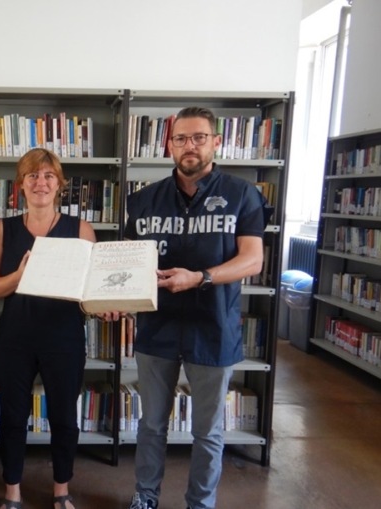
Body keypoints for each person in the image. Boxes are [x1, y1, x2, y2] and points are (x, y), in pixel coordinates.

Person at [124, 107, 267, 509]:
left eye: (199, 137)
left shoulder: (242, 194)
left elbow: (252, 260)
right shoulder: (143, 200)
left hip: (214, 327)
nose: (190, 146)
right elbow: (128, 261)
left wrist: (200, 277)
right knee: (151, 424)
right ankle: (145, 496)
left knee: (208, 430)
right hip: (157, 327)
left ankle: (200, 504)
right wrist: (115, 298)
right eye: (181, 138)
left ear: (216, 142)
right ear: (169, 144)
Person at [0, 148, 96, 509]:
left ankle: (61, 490)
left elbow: (91, 291)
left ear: (59, 184)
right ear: (21, 184)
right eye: (32, 175)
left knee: (63, 417)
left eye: (48, 176)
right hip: (15, 338)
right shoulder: (4, 228)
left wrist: (106, 304)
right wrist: (20, 276)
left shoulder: (80, 229)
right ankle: (12, 491)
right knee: (13, 417)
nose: (40, 182)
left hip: (64, 337)